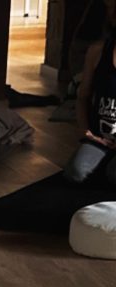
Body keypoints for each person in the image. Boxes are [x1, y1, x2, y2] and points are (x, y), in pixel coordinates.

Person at [65, 0, 116, 184]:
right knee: (76, 172)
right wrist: (86, 132)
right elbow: (82, 97)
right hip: (100, 138)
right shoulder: (97, 51)